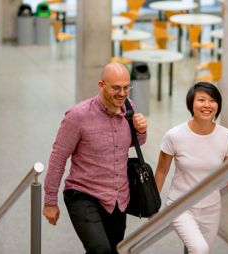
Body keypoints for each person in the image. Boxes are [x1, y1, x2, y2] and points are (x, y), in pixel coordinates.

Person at [42, 62, 148, 254]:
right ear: (101, 85)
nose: (122, 93)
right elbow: (58, 157)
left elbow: (132, 143)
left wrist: (141, 130)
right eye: (116, 87)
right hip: (84, 194)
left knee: (114, 250)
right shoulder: (77, 116)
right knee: (101, 250)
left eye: (126, 87)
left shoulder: (129, 108)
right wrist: (50, 201)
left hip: (118, 198)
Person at [154, 82, 228, 254]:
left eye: (212, 101)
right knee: (200, 249)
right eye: (201, 100)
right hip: (180, 205)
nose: (207, 105)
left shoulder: (227, 137)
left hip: (211, 208)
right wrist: (151, 205)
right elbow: (161, 171)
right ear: (191, 104)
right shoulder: (174, 135)